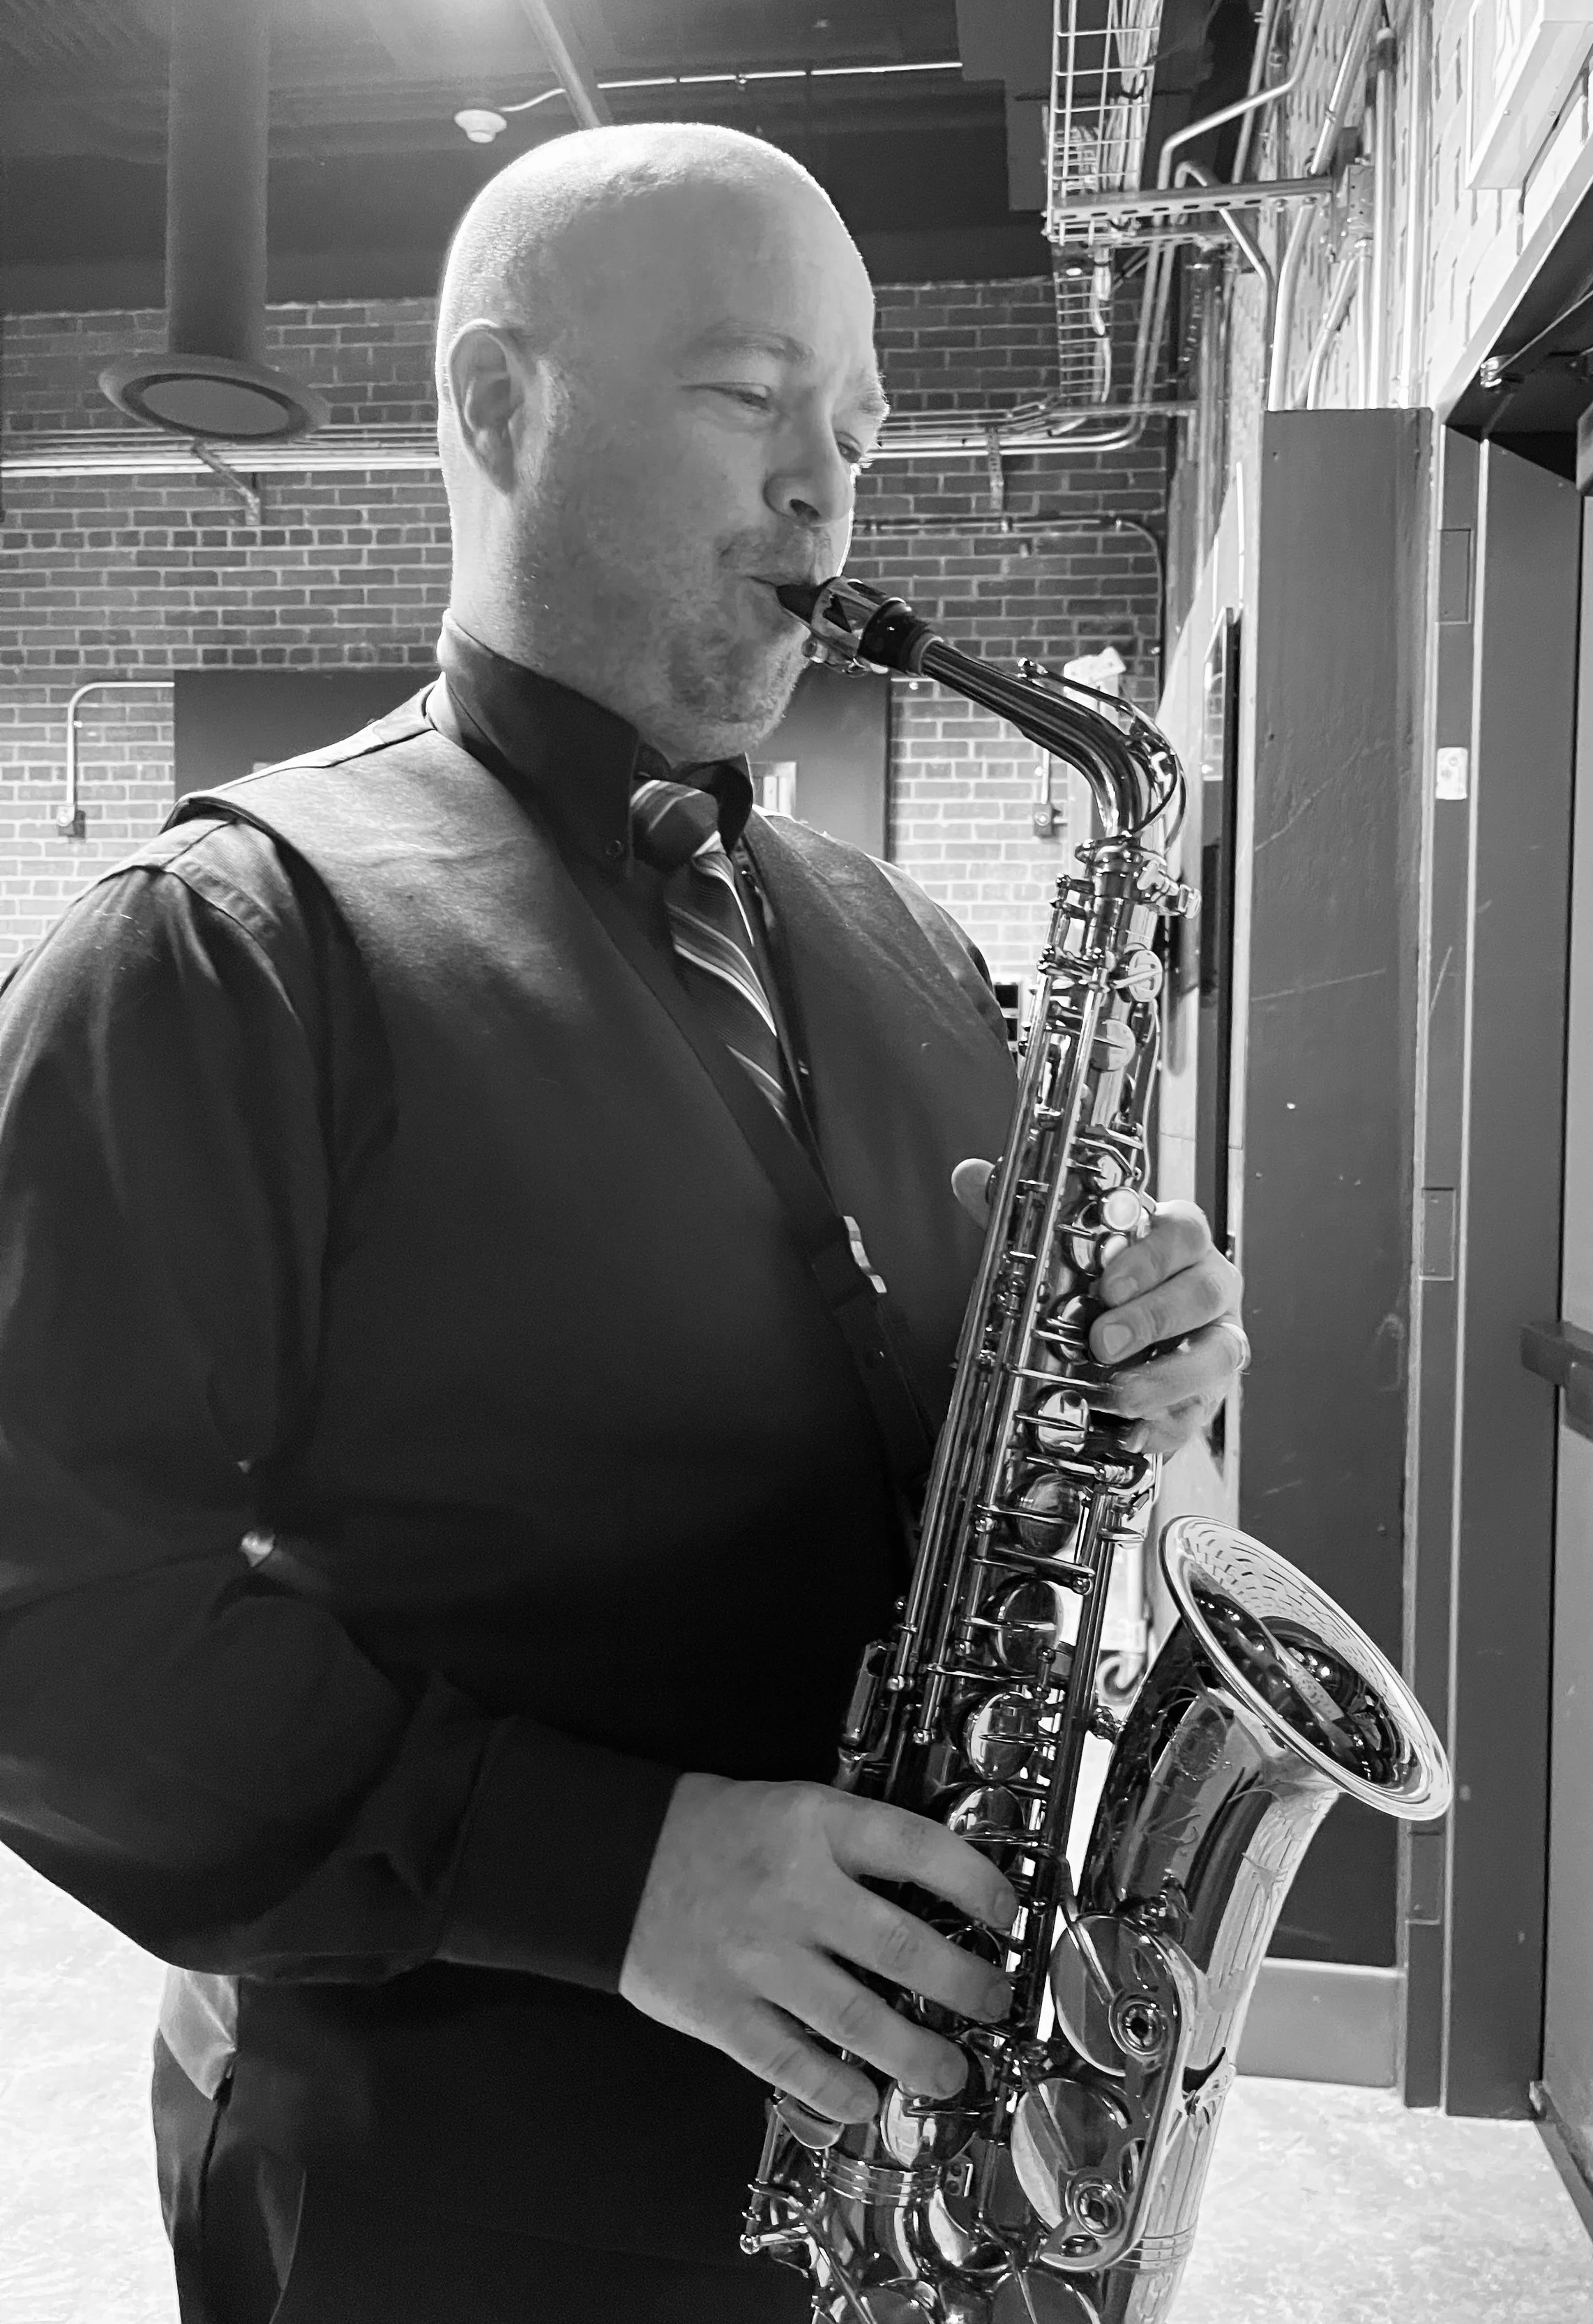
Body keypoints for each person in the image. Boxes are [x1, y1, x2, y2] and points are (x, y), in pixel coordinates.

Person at [0, 124, 1245, 2323]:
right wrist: (621, 1872)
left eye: (854, 428)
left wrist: (1131, 1356)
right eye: (749, 395)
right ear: (499, 407)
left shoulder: (895, 940)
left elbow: (976, 1464)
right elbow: (44, 1622)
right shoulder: (218, 947)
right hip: (441, 2206)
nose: (823, 490)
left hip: (896, 2162)